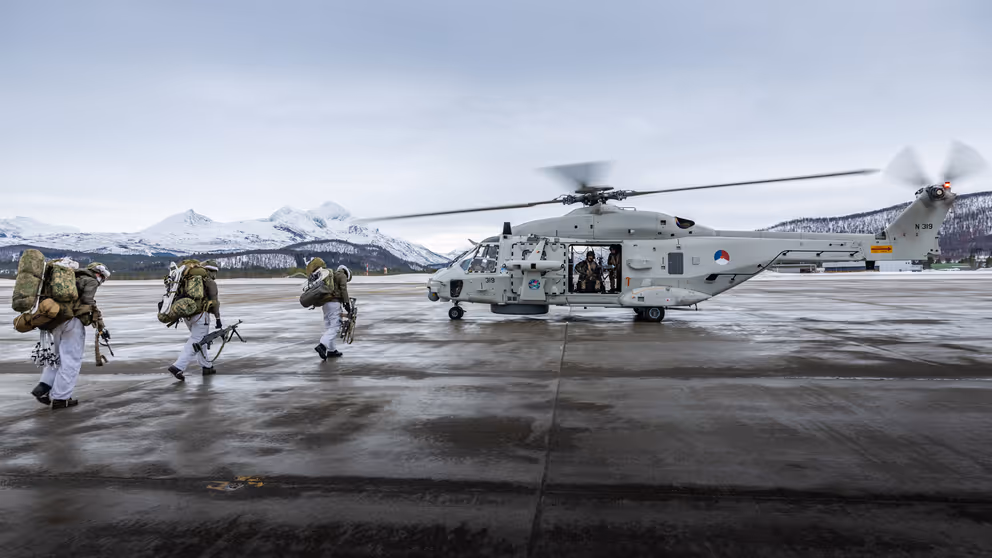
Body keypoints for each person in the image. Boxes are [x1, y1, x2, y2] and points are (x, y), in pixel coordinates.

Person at [31, 262, 112, 409]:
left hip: (55, 321)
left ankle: (43, 387)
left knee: (56, 357)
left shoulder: (71, 277)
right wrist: (99, 323)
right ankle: (61, 398)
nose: (102, 281)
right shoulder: (91, 280)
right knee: (71, 360)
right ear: (99, 273)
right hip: (72, 323)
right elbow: (88, 303)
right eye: (103, 278)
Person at [167, 260, 221, 381]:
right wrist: (218, 318)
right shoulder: (208, 281)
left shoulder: (188, 278)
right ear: (211, 271)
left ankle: (207, 366)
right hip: (201, 315)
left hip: (188, 314)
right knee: (197, 340)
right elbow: (215, 302)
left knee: (201, 340)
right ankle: (178, 366)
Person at [306, 258, 352, 361]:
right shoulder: (342, 275)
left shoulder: (331, 275)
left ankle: (332, 350)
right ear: (347, 273)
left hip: (325, 304)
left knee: (329, 327)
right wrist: (346, 303)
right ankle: (322, 345)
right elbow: (343, 289)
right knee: (335, 327)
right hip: (334, 303)